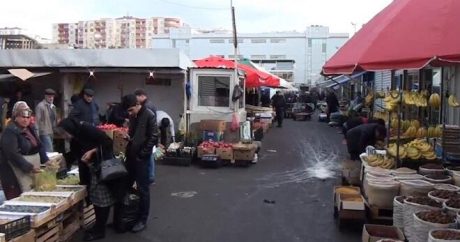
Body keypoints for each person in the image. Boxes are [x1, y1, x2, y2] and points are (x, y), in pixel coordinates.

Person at [57, 118, 125, 241]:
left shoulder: (86, 129)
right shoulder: (75, 137)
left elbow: (108, 142)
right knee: (96, 198)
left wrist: (92, 152)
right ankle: (99, 226)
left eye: (64, 133)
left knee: (101, 199)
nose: (63, 136)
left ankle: (100, 230)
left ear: (69, 128)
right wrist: (61, 165)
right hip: (92, 169)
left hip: (103, 168)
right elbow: (75, 155)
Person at [122, 94, 158, 233]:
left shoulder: (149, 115)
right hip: (131, 155)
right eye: (128, 111)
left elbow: (154, 137)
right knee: (127, 186)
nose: (129, 113)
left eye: (131, 110)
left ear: (138, 104)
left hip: (141, 158)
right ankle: (128, 216)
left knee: (143, 190)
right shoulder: (133, 116)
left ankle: (142, 219)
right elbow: (134, 135)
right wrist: (128, 139)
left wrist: (143, 154)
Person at [0, 101, 49, 199]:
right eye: (23, 117)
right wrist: (30, 167)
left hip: (28, 172)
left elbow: (39, 145)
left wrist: (46, 160)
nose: (26, 120)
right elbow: (13, 154)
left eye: (27, 117)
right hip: (13, 174)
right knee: (18, 199)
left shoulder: (30, 128)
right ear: (15, 117)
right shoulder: (10, 131)